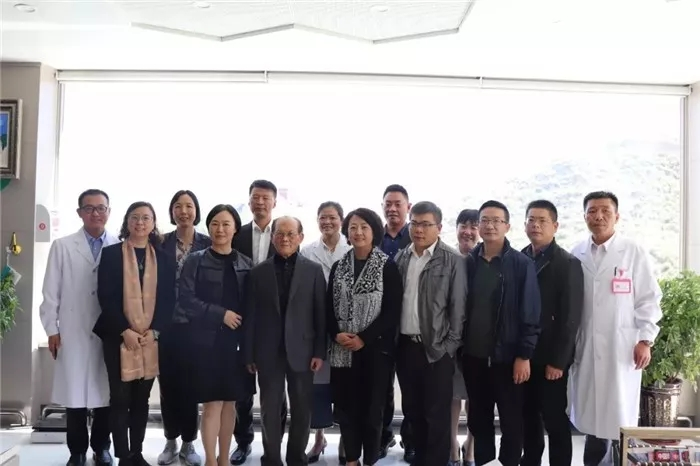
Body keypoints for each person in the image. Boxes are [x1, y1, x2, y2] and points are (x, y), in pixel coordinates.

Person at [569, 191, 663, 466]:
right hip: (587, 345)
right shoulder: (577, 252)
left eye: (605, 211)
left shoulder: (632, 252)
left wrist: (645, 339)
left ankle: (620, 460)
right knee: (592, 418)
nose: (598, 216)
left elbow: (649, 298)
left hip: (621, 346)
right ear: (585, 216)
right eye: (592, 211)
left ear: (617, 216)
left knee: (619, 415)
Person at [39, 189, 118, 466]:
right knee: (75, 397)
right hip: (72, 330)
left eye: (101, 208)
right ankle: (77, 451)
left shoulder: (119, 245)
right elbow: (50, 292)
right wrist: (52, 329)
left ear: (109, 211)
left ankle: (102, 447)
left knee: (106, 395)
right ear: (79, 213)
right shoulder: (62, 246)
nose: (96, 213)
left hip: (109, 331)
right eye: (89, 208)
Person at [94, 202, 176, 466]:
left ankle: (136, 453)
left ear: (153, 223)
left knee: (141, 400)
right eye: (135, 217)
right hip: (117, 337)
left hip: (150, 339)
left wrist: (155, 331)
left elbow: (169, 300)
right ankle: (123, 455)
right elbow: (105, 297)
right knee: (119, 399)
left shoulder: (164, 258)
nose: (140, 223)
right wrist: (124, 330)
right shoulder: (111, 255)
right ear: (127, 222)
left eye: (146, 218)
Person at [461, 200, 540, 466]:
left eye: (496, 221)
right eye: (484, 220)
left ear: (507, 226)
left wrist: (524, 355)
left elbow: (531, 313)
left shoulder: (521, 264)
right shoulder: (469, 262)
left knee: (511, 421)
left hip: (508, 358)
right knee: (479, 420)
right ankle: (483, 461)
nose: (490, 226)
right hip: (474, 357)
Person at [244, 216, 327, 466]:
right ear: (272, 238)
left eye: (291, 234)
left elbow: (320, 314)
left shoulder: (313, 271)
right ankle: (271, 458)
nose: (285, 238)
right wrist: (249, 354)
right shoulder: (258, 272)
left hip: (303, 350)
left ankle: (296, 458)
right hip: (267, 351)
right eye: (280, 233)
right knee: (269, 410)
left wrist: (319, 351)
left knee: (302, 409)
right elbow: (250, 316)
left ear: (301, 237)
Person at [176, 204, 254, 466]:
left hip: (236, 345)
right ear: (208, 227)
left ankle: (224, 459)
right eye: (215, 224)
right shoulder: (196, 260)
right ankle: (210, 460)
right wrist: (221, 314)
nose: (220, 229)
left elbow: (252, 308)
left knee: (230, 403)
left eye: (226, 224)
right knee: (212, 404)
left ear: (235, 229)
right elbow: (186, 300)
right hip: (205, 342)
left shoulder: (246, 264)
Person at [327, 208, 403, 466]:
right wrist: (336, 333)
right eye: (353, 227)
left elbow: (392, 311)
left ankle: (370, 459)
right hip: (343, 350)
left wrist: (363, 338)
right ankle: (351, 459)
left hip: (376, 351)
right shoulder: (338, 267)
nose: (358, 232)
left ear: (374, 231)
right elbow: (328, 308)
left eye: (364, 227)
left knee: (373, 411)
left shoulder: (387, 266)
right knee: (347, 409)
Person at [394, 201, 467, 466]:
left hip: (436, 350)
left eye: (426, 224)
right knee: (413, 413)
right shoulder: (401, 258)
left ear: (439, 227)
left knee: (436, 417)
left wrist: (447, 348)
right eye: (414, 223)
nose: (419, 230)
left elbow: (458, 311)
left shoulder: (452, 260)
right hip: (405, 347)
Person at [520, 200, 583, 466]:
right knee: (527, 415)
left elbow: (571, 318)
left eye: (542, 220)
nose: (536, 225)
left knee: (554, 418)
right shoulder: (519, 258)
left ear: (555, 226)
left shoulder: (567, 263)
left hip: (550, 358)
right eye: (531, 220)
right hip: (523, 355)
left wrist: (559, 361)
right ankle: (530, 460)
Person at [230, 179, 287, 465]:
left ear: (274, 201)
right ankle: (243, 442)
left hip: (275, 325)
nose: (260, 202)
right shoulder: (236, 234)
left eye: (266, 198)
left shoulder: (285, 233)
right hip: (240, 320)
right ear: (249, 200)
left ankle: (274, 445)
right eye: (256, 197)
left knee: (275, 392)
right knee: (242, 388)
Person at [158, 190, 210, 466]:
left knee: (191, 386)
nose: (183, 211)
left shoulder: (207, 243)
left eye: (189, 206)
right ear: (172, 212)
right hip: (166, 326)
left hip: (196, 325)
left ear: (196, 211)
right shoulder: (161, 242)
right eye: (178, 206)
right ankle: (170, 440)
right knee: (167, 386)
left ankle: (189, 442)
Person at [300, 201, 352, 463]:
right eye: (322, 217)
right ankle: (319, 439)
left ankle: (346, 442)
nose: (327, 222)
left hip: (345, 329)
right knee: (318, 389)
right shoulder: (307, 251)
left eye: (332, 217)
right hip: (317, 327)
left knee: (344, 388)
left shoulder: (352, 249)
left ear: (341, 220)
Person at [379, 184, 413, 463]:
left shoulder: (417, 236)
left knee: (411, 387)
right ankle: (382, 437)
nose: (392, 209)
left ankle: (411, 440)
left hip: (409, 322)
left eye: (397, 204)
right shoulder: (373, 236)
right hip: (378, 326)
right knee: (381, 386)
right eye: (387, 204)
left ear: (408, 207)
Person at [451, 208, 479, 466]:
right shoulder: (449, 258)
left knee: (474, 398)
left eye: (474, 226)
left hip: (477, 341)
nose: (468, 232)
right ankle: (452, 447)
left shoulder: (484, 259)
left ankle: (471, 447)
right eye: (464, 226)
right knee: (452, 397)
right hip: (450, 341)